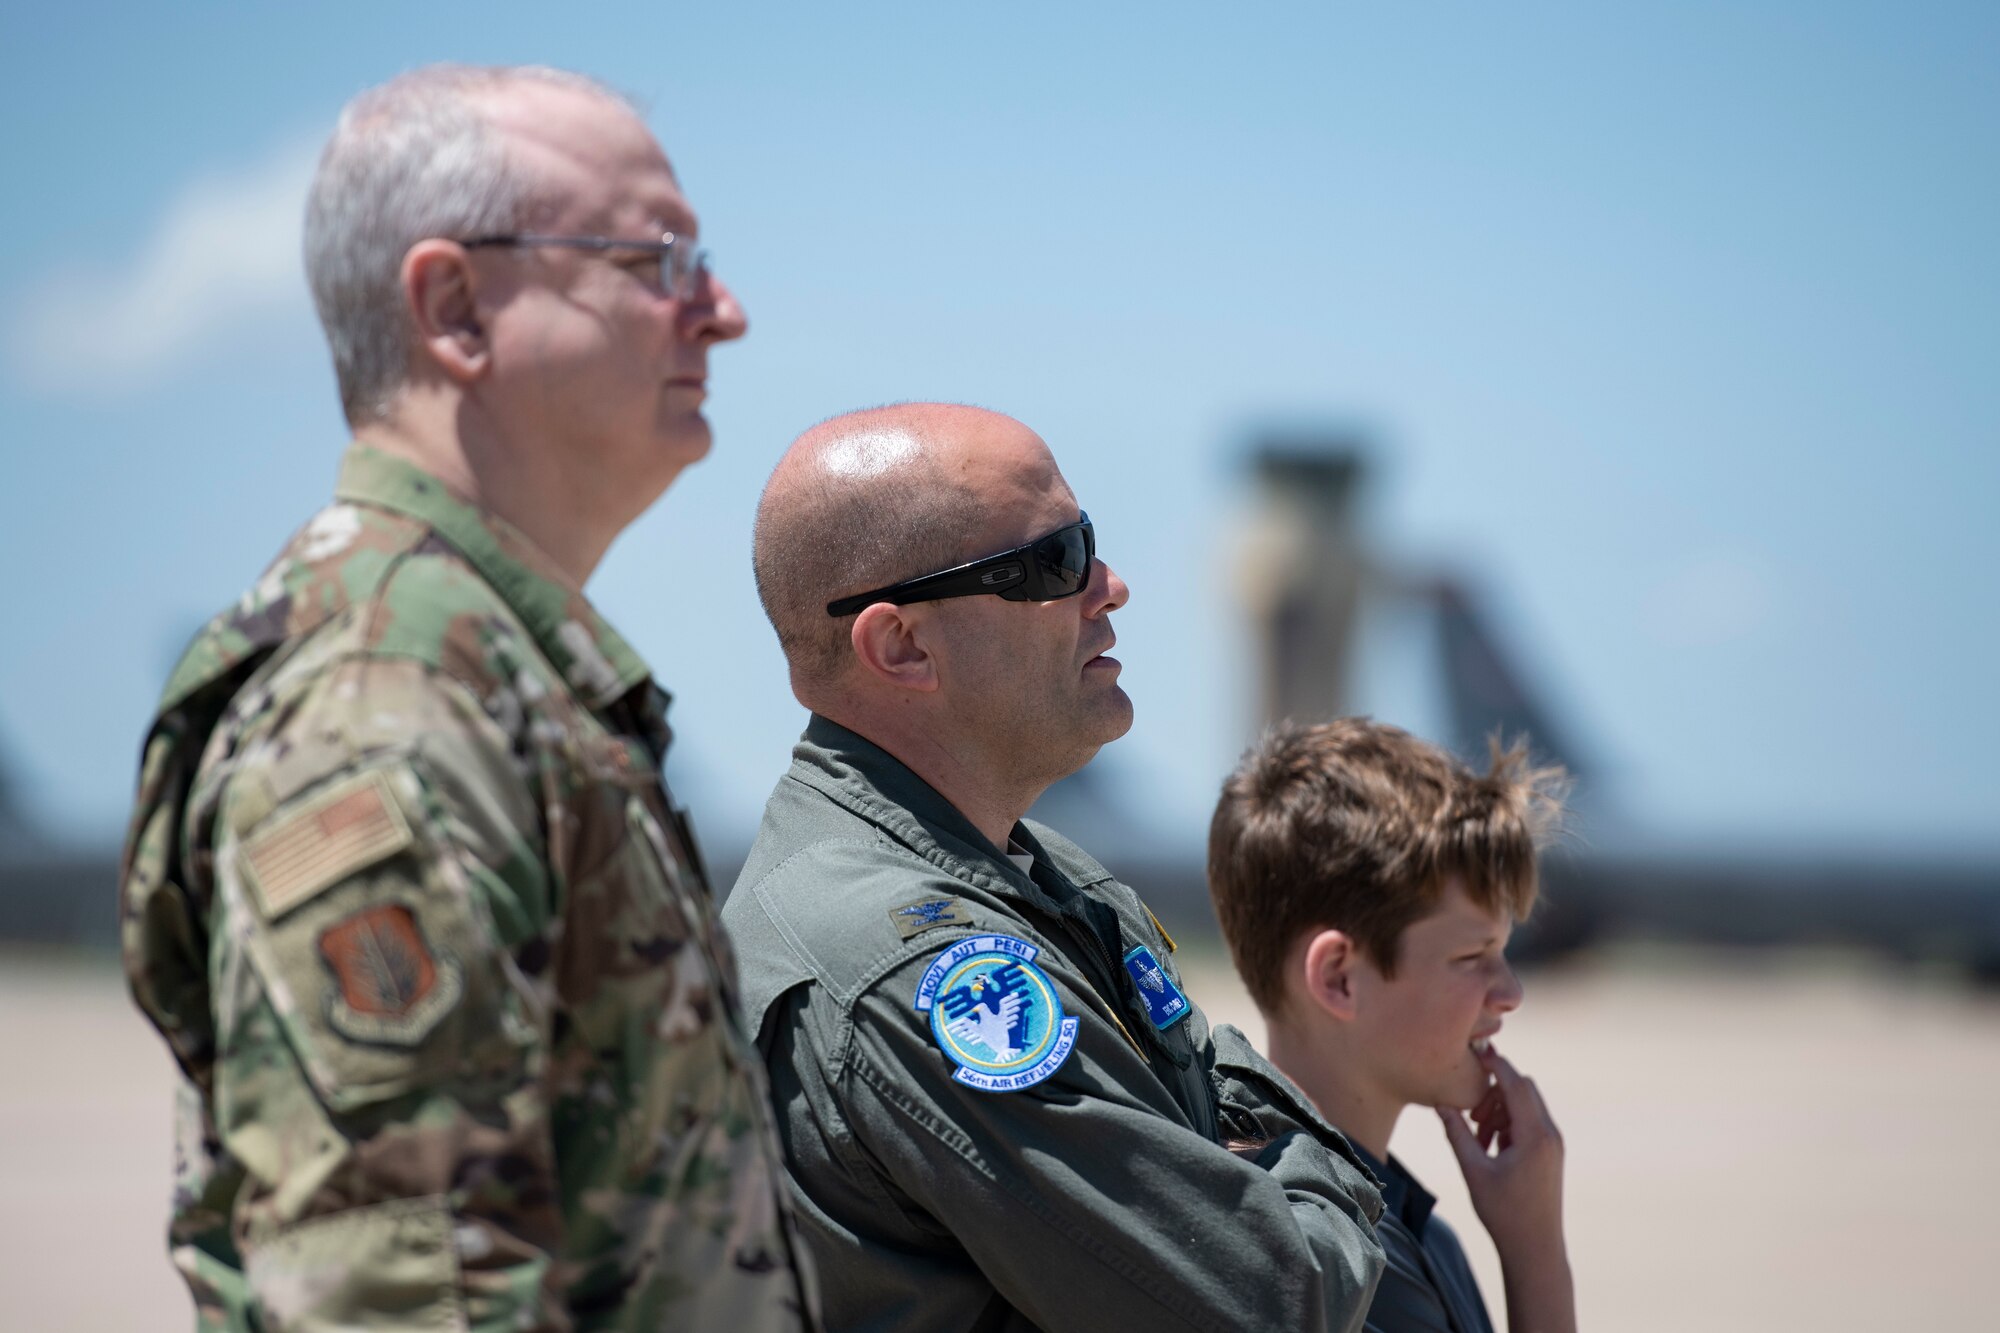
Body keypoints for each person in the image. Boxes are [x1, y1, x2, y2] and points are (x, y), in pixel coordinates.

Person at [118, 64, 817, 1331]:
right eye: (654, 259)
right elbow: (397, 1291)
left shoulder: (491, 669)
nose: (720, 312)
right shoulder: (386, 699)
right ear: (453, 307)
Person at [723, 401, 1387, 1333]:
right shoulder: (913, 968)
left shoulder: (1043, 872)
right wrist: (1316, 1150)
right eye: (1052, 564)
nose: (1110, 586)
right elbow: (1270, 1301)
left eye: (1087, 541)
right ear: (902, 646)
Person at [1206, 718, 1576, 1333]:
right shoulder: (1324, 1268)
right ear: (1339, 977)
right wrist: (1537, 1259)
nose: (1510, 993)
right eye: (1471, 957)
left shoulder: (1410, 1230)